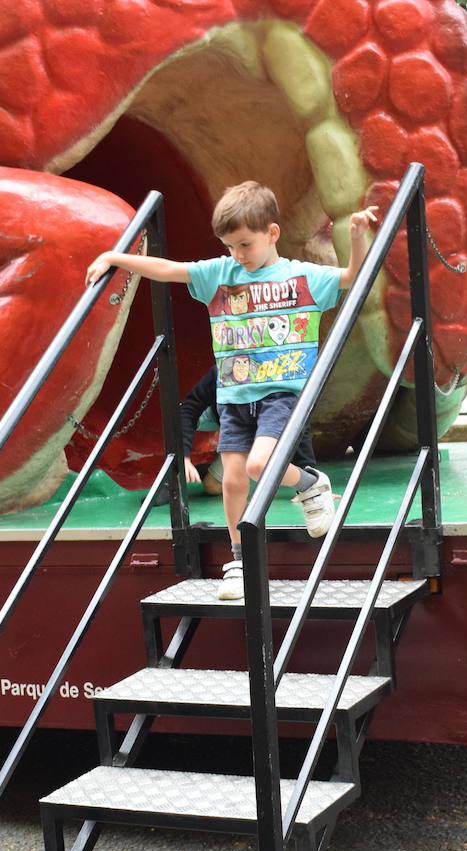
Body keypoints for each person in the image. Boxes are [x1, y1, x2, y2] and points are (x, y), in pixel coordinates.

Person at [87, 181, 376, 599]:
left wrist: (356, 236)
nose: (237, 255)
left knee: (260, 466)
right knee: (233, 482)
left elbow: (354, 277)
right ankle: (241, 561)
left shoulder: (302, 277)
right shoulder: (220, 276)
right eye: (229, 246)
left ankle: (310, 484)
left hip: (282, 393)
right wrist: (116, 257)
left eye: (244, 244)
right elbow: (170, 270)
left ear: (271, 233)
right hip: (235, 397)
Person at [176, 364, 319, 499]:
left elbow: (299, 421)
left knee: (212, 486)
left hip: (256, 430)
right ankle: (172, 477)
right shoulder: (225, 367)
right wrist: (183, 456)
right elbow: (189, 408)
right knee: (175, 415)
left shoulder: (276, 376)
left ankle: (208, 469)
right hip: (222, 415)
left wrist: (309, 478)